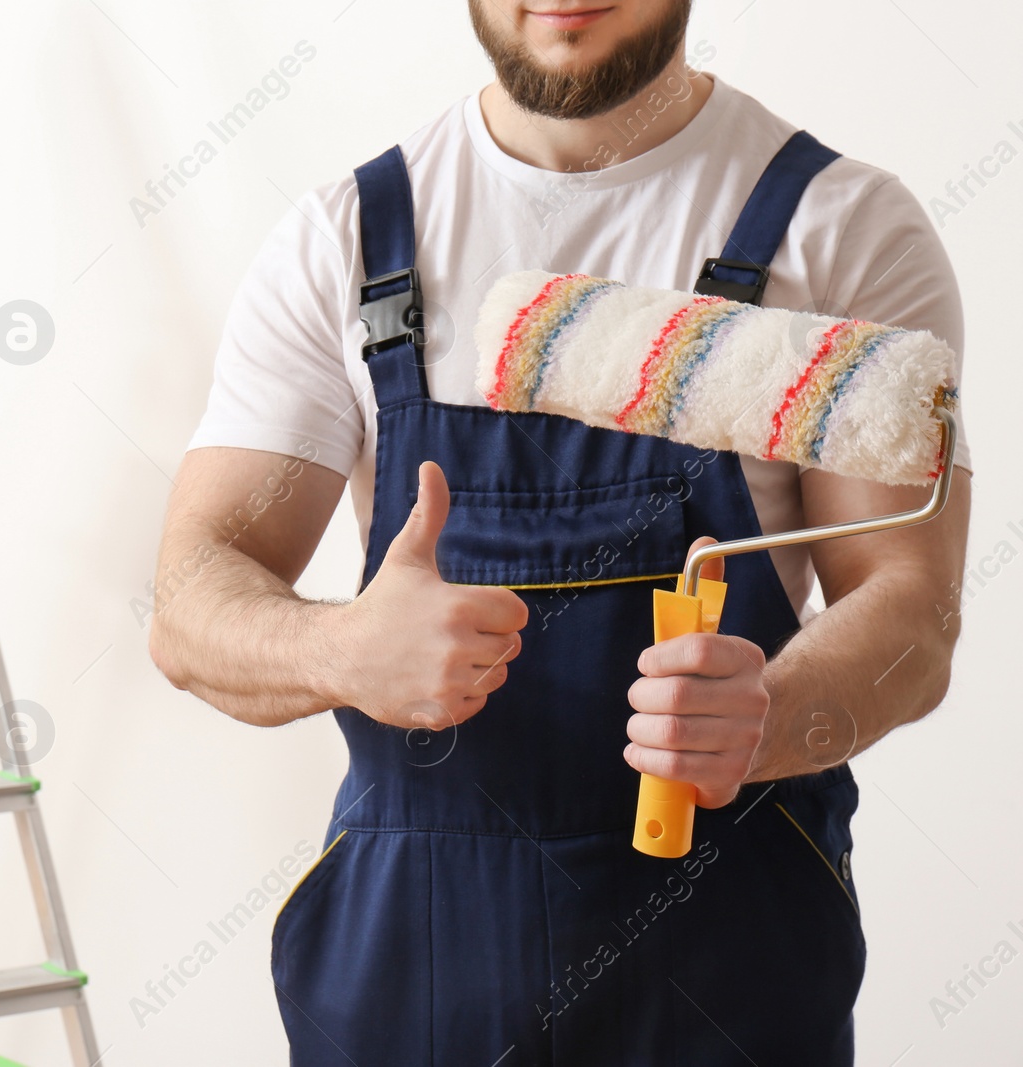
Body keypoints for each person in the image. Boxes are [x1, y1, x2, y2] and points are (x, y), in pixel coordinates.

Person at [148, 1, 973, 1062]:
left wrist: (773, 713)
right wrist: (340, 648)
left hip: (728, 973)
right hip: (411, 978)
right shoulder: (348, 240)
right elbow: (189, 598)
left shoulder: (839, 225)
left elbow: (912, 610)